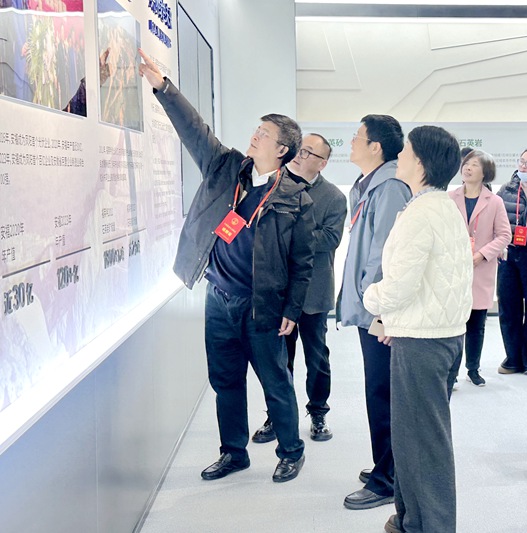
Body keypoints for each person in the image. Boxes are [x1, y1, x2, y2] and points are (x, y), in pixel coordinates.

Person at [138, 50, 312, 482]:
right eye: (257, 129)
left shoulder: (295, 198)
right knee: (225, 381)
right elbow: (195, 130)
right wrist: (164, 88)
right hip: (219, 298)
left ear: (282, 149)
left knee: (275, 382)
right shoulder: (226, 167)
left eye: (264, 133)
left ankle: (291, 451)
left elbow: (302, 263)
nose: (255, 136)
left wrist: (292, 310)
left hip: (261, 307)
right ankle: (234, 452)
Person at [363, 125, 472, 533]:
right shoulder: (442, 206)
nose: (400, 157)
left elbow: (399, 286)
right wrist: (395, 319)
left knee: (424, 444)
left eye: (406, 151)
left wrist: (369, 298)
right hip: (435, 335)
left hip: (424, 344)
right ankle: (412, 519)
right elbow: (432, 282)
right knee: (413, 439)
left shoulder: (421, 214)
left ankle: (433, 526)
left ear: (421, 162)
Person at [251, 134, 347, 444]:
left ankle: (318, 413)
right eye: (299, 149)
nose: (299, 155)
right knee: (279, 360)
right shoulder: (275, 185)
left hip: (314, 292)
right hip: (279, 291)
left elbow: (330, 239)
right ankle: (276, 415)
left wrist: (292, 235)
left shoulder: (334, 197)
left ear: (323, 163)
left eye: (308, 153)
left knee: (317, 358)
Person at [337, 115, 411, 510]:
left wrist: (379, 311)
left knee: (383, 394)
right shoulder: (370, 185)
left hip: (378, 313)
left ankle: (388, 480)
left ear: (376, 147)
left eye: (357, 137)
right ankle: (386, 465)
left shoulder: (391, 187)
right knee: (377, 391)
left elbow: (384, 256)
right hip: (370, 309)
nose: (351, 142)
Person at [449, 150, 512, 386]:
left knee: (476, 324)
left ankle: (473, 368)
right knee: (453, 325)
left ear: (485, 172)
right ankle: (451, 372)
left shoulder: (494, 201)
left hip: (480, 268)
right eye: (466, 163)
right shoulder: (450, 197)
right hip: (453, 269)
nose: (467, 168)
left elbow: (504, 235)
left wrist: (482, 254)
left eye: (474, 165)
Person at [495, 147, 527, 376]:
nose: (523, 166)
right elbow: (495, 218)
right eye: (522, 161)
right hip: (508, 253)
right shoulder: (507, 189)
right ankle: (513, 358)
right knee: (508, 306)